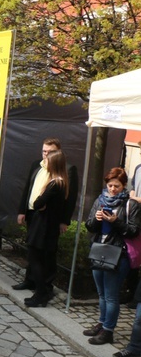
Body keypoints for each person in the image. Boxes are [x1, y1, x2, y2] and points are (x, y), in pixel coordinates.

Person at [83, 167, 140, 345]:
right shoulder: (100, 200)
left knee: (111, 295)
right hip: (99, 249)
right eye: (110, 185)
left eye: (116, 186)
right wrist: (97, 219)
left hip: (118, 253)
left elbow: (133, 231)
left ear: (124, 186)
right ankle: (102, 323)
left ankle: (108, 331)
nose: (112, 189)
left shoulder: (131, 205)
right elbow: (89, 226)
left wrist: (116, 222)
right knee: (101, 293)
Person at [14, 138, 79, 291]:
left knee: (47, 253)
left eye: (50, 152)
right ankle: (29, 280)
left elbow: (71, 198)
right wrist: (21, 211)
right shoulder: (36, 165)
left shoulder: (68, 169)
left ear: (58, 152)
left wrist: (64, 221)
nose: (46, 155)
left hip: (50, 218)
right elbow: (28, 189)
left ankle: (46, 286)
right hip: (32, 214)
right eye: (44, 151)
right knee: (33, 251)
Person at [23, 151, 69, 307]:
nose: (45, 163)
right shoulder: (61, 182)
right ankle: (40, 293)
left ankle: (41, 293)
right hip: (46, 226)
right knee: (38, 259)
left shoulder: (55, 183)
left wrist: (41, 201)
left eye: (48, 161)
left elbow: (37, 203)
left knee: (35, 259)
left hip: (43, 226)